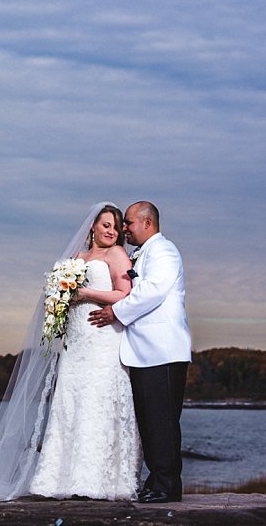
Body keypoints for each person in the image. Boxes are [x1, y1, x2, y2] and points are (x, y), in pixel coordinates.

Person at [0, 202, 141, 502]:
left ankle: (98, 480)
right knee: (69, 400)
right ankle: (60, 478)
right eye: (106, 224)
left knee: (97, 401)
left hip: (102, 339)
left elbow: (125, 294)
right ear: (92, 228)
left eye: (115, 226)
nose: (111, 231)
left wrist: (84, 294)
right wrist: (58, 302)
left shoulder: (117, 255)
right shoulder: (76, 258)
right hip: (75, 343)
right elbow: (58, 294)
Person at [89, 201, 191, 503]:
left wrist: (115, 312)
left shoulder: (164, 251)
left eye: (129, 223)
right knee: (150, 421)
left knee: (163, 421)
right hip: (146, 352)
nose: (124, 229)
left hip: (164, 351)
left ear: (147, 223)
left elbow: (152, 291)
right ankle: (157, 480)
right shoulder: (142, 253)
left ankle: (167, 486)